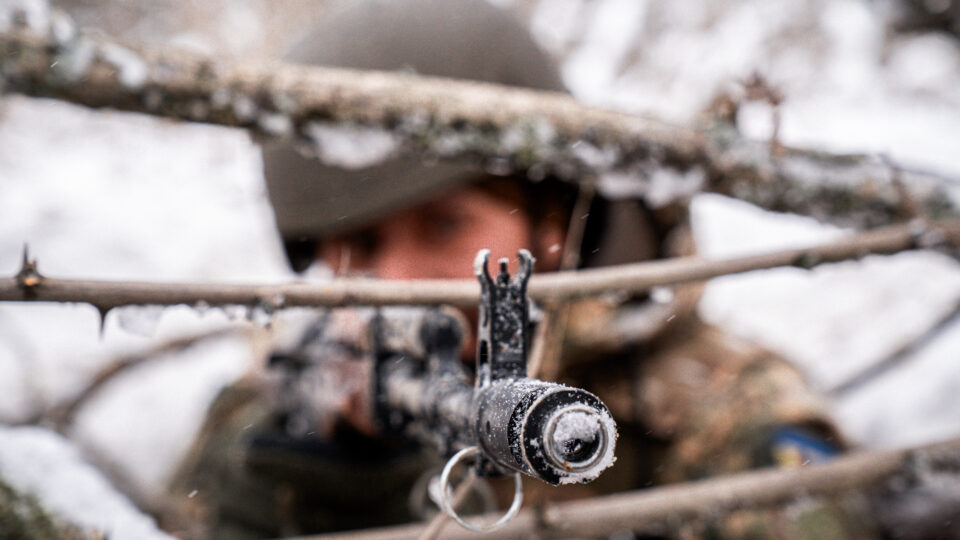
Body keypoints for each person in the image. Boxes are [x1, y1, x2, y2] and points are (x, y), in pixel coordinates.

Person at [165, 1, 871, 538]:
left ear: (555, 217)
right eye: (360, 247)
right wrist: (309, 478)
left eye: (444, 226)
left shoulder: (726, 416)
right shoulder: (270, 411)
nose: (399, 283)